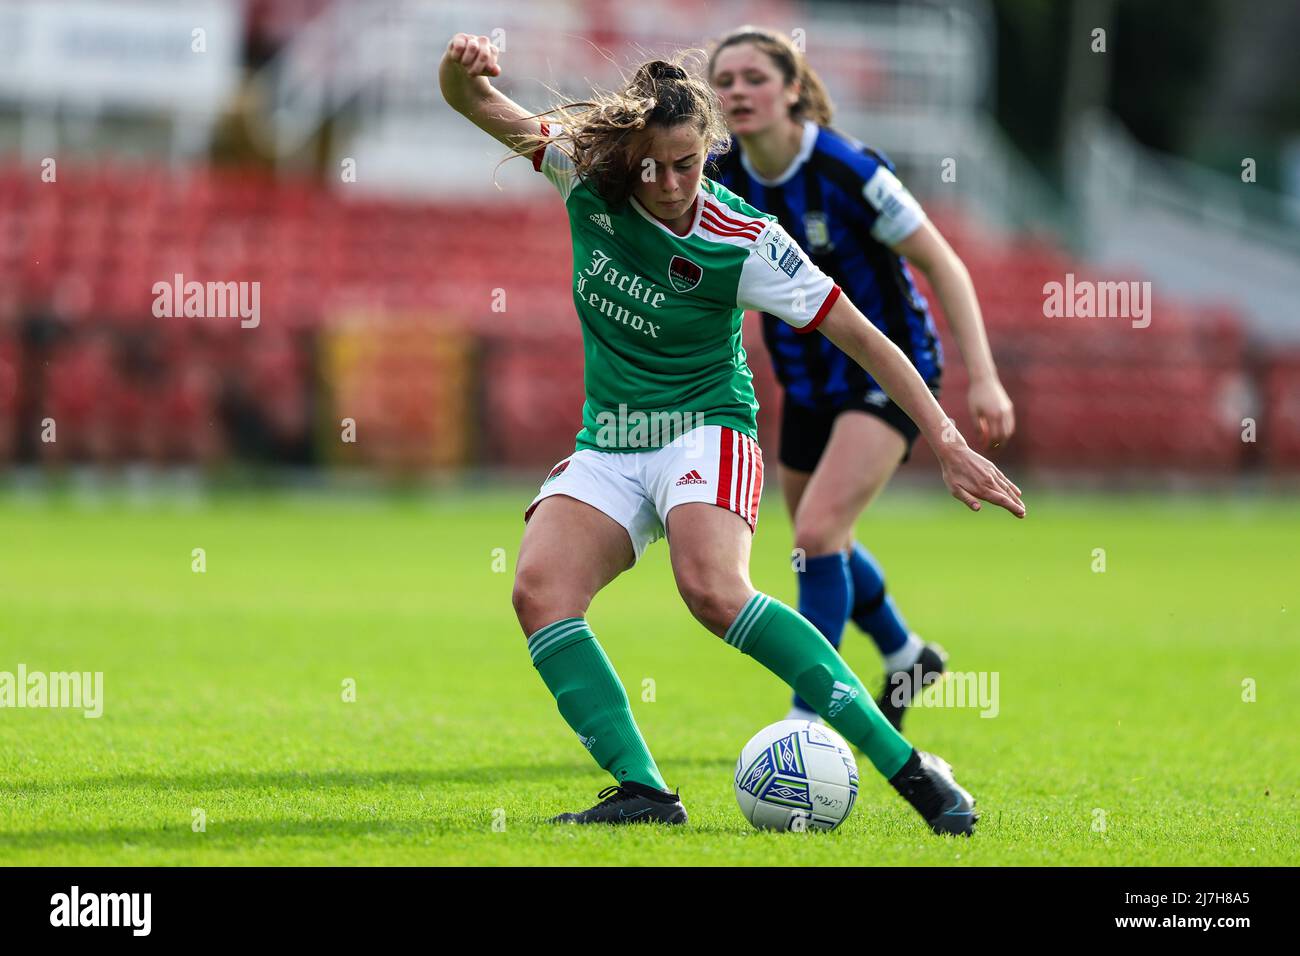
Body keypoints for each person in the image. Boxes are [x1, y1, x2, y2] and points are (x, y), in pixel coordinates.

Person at [439, 32, 1024, 835]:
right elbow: (474, 102)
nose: (676, 182)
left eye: (691, 163)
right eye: (658, 166)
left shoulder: (744, 238)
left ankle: (910, 770)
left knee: (712, 591)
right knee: (539, 592)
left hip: (705, 428)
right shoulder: (583, 174)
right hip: (610, 438)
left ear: (709, 153)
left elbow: (862, 335)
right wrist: (459, 68)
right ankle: (644, 792)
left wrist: (947, 440)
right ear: (628, 160)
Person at [707, 26, 1017, 730]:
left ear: (791, 88)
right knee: (819, 540)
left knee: (817, 535)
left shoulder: (848, 169)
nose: (736, 92)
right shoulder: (721, 173)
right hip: (806, 383)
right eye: (724, 81)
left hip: (890, 375)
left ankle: (806, 722)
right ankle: (906, 656)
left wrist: (986, 378)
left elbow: (944, 263)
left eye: (754, 77)